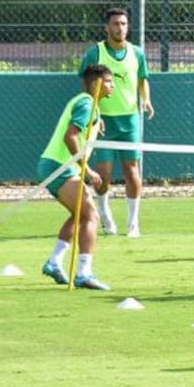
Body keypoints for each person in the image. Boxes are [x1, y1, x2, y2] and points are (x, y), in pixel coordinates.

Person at [37, 64, 115, 291]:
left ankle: (54, 263)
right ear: (96, 83)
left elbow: (80, 128)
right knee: (91, 215)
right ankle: (84, 273)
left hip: (55, 166)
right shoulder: (86, 103)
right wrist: (87, 169)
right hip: (59, 167)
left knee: (80, 215)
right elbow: (70, 137)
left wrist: (96, 121)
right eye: (109, 81)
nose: (113, 86)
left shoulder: (88, 105)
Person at [78, 8, 154, 238]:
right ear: (107, 27)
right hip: (104, 122)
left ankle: (133, 224)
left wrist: (147, 100)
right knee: (104, 173)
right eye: (115, 24)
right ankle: (105, 216)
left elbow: (143, 79)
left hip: (130, 120)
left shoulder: (137, 53)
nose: (119, 28)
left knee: (132, 172)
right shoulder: (95, 53)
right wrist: (94, 112)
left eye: (123, 23)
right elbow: (85, 82)